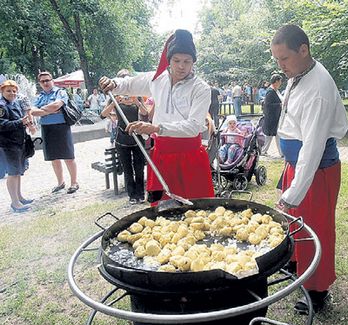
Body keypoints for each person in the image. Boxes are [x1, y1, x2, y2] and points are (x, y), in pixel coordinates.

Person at [272, 24, 348, 314]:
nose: (281, 66)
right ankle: (298, 267)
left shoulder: (318, 89)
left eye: (284, 59)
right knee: (297, 223)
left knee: (316, 228)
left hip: (316, 170)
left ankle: (317, 291)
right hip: (299, 165)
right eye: (277, 60)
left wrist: (293, 192)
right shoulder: (300, 72)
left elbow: (313, 148)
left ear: (303, 50)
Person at [99, 29, 214, 204]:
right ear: (169, 60)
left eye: (187, 61)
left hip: (190, 156)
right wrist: (114, 83)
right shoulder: (157, 79)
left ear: (193, 62)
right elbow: (128, 84)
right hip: (162, 155)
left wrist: (156, 128)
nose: (181, 66)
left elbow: (194, 126)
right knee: (161, 209)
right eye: (176, 60)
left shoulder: (201, 88)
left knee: (198, 207)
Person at [101, 69, 148, 204]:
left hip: (137, 137)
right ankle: (131, 195)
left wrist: (137, 103)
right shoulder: (113, 95)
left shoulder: (136, 94)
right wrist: (114, 102)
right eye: (122, 77)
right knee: (127, 169)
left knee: (139, 168)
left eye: (127, 77)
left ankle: (140, 194)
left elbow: (146, 113)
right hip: (122, 138)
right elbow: (103, 114)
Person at [30, 71, 79, 194]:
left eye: (47, 80)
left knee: (68, 156)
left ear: (52, 80)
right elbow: (32, 111)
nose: (46, 83)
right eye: (43, 81)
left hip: (61, 127)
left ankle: (74, 183)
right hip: (47, 129)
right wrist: (50, 111)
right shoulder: (39, 96)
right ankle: (60, 182)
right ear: (40, 83)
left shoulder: (60, 92)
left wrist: (43, 111)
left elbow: (57, 105)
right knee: (54, 158)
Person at [0, 80, 35, 212]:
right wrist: (20, 122)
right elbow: (2, 125)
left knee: (19, 171)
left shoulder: (14, 104)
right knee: (13, 173)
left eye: (14, 91)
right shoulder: (2, 106)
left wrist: (27, 124)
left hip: (19, 143)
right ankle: (15, 202)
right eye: (8, 90)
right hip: (9, 144)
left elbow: (20, 121)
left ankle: (19, 197)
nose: (12, 93)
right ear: (2, 91)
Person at [262, 74, 283, 156]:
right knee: (269, 135)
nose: (281, 83)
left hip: (276, 116)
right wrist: (279, 105)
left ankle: (281, 152)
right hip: (271, 117)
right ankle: (263, 150)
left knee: (277, 134)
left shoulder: (275, 91)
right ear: (276, 81)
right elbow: (267, 105)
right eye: (280, 81)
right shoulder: (270, 92)